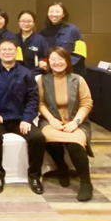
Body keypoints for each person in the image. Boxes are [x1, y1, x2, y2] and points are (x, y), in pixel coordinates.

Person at [0, 39, 45, 195]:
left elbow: (33, 99)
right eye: (3, 50)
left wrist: (27, 119)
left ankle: (34, 176)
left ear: (17, 52)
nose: (7, 52)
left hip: (20, 119)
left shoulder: (26, 73)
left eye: (10, 49)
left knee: (38, 137)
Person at [38, 47, 94, 201]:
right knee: (47, 138)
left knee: (74, 144)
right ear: (48, 62)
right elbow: (40, 103)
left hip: (76, 121)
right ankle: (61, 166)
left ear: (67, 61)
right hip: (52, 120)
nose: (57, 62)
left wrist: (76, 122)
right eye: (53, 59)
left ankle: (86, 182)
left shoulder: (78, 79)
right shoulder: (43, 80)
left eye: (60, 59)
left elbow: (86, 104)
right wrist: (51, 120)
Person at [40, 2, 87, 77]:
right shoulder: (43, 32)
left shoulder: (73, 29)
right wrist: (41, 61)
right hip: (51, 71)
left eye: (57, 12)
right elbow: (41, 52)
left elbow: (81, 53)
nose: (54, 14)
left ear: (63, 14)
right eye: (51, 12)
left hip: (72, 71)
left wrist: (63, 64)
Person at [15, 10, 49, 76]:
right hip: (16, 74)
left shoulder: (40, 39)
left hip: (35, 73)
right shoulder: (14, 38)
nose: (26, 24)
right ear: (19, 22)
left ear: (34, 23)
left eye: (29, 21)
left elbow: (45, 57)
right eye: (23, 21)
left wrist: (41, 61)